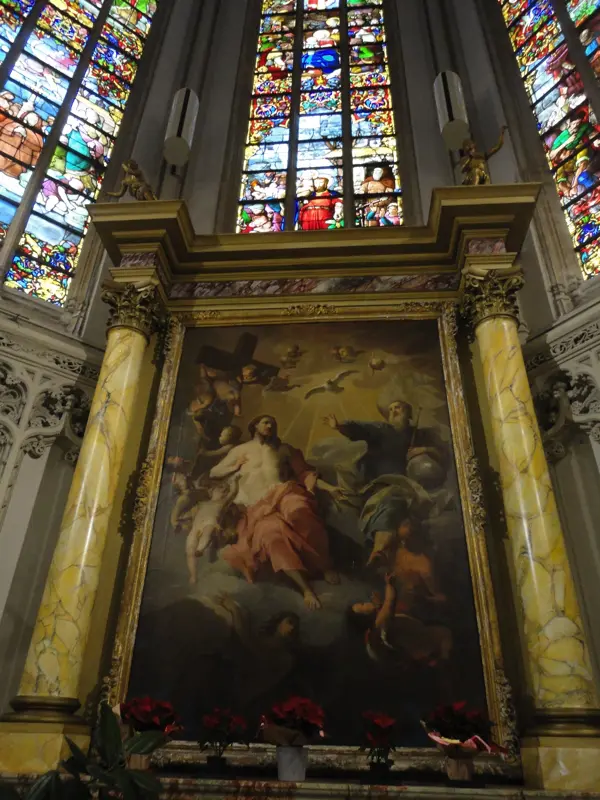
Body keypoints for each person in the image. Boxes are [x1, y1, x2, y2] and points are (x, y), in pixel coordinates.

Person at [210, 415, 337, 609]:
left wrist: (327, 488)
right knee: (271, 536)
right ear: (254, 426)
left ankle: (324, 565)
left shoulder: (283, 449)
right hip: (256, 506)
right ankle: (305, 589)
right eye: (266, 422)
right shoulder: (240, 450)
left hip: (283, 492)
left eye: (274, 424)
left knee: (299, 511)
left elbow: (304, 472)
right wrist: (236, 466)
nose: (270, 426)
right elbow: (214, 472)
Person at [185, 478, 239, 585]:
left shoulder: (223, 502)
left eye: (225, 491)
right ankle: (193, 576)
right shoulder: (203, 503)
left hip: (210, 523)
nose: (223, 492)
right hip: (196, 526)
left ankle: (200, 549)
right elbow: (191, 512)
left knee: (207, 531)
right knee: (189, 550)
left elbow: (233, 492)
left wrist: (235, 482)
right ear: (212, 491)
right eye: (220, 489)